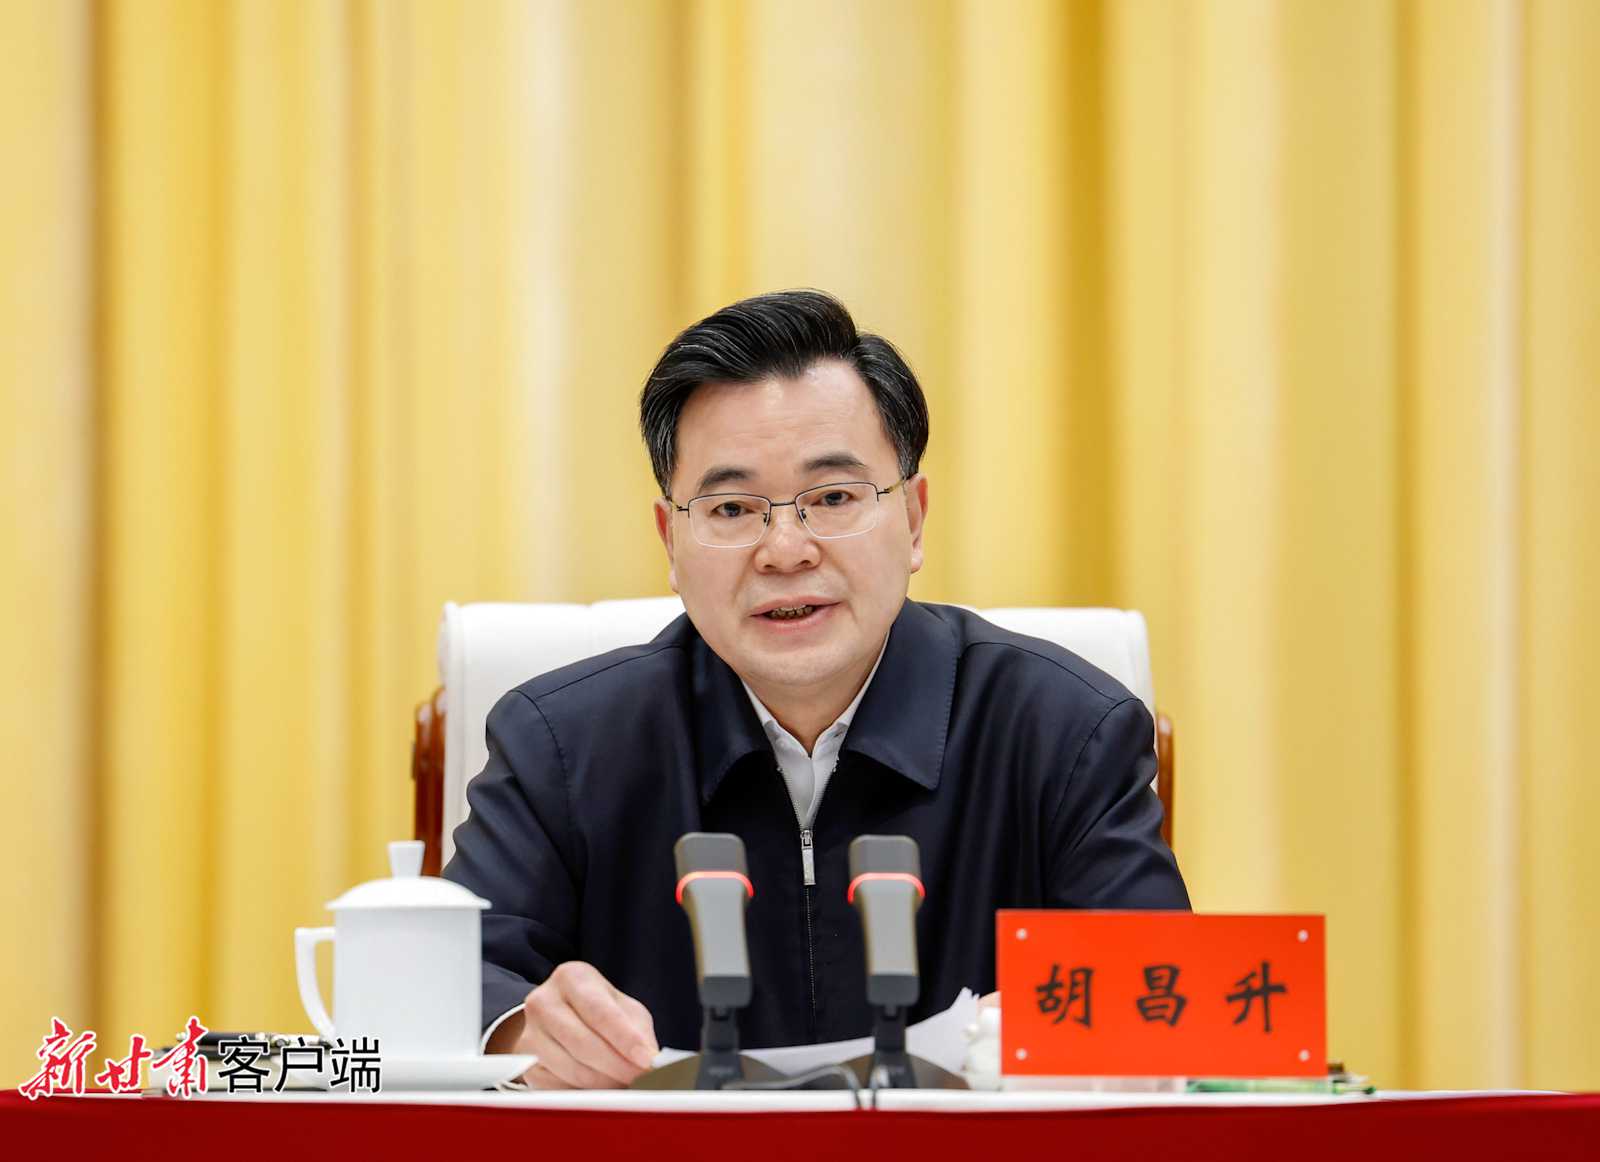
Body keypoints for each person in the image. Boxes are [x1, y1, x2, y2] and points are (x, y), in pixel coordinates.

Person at [442, 290, 1189, 1089]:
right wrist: (515, 1032)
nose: (785, 550)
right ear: (671, 541)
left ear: (914, 519)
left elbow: (1165, 1003)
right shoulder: (562, 746)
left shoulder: (1065, 732)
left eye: (832, 498)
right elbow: (449, 983)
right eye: (733, 508)